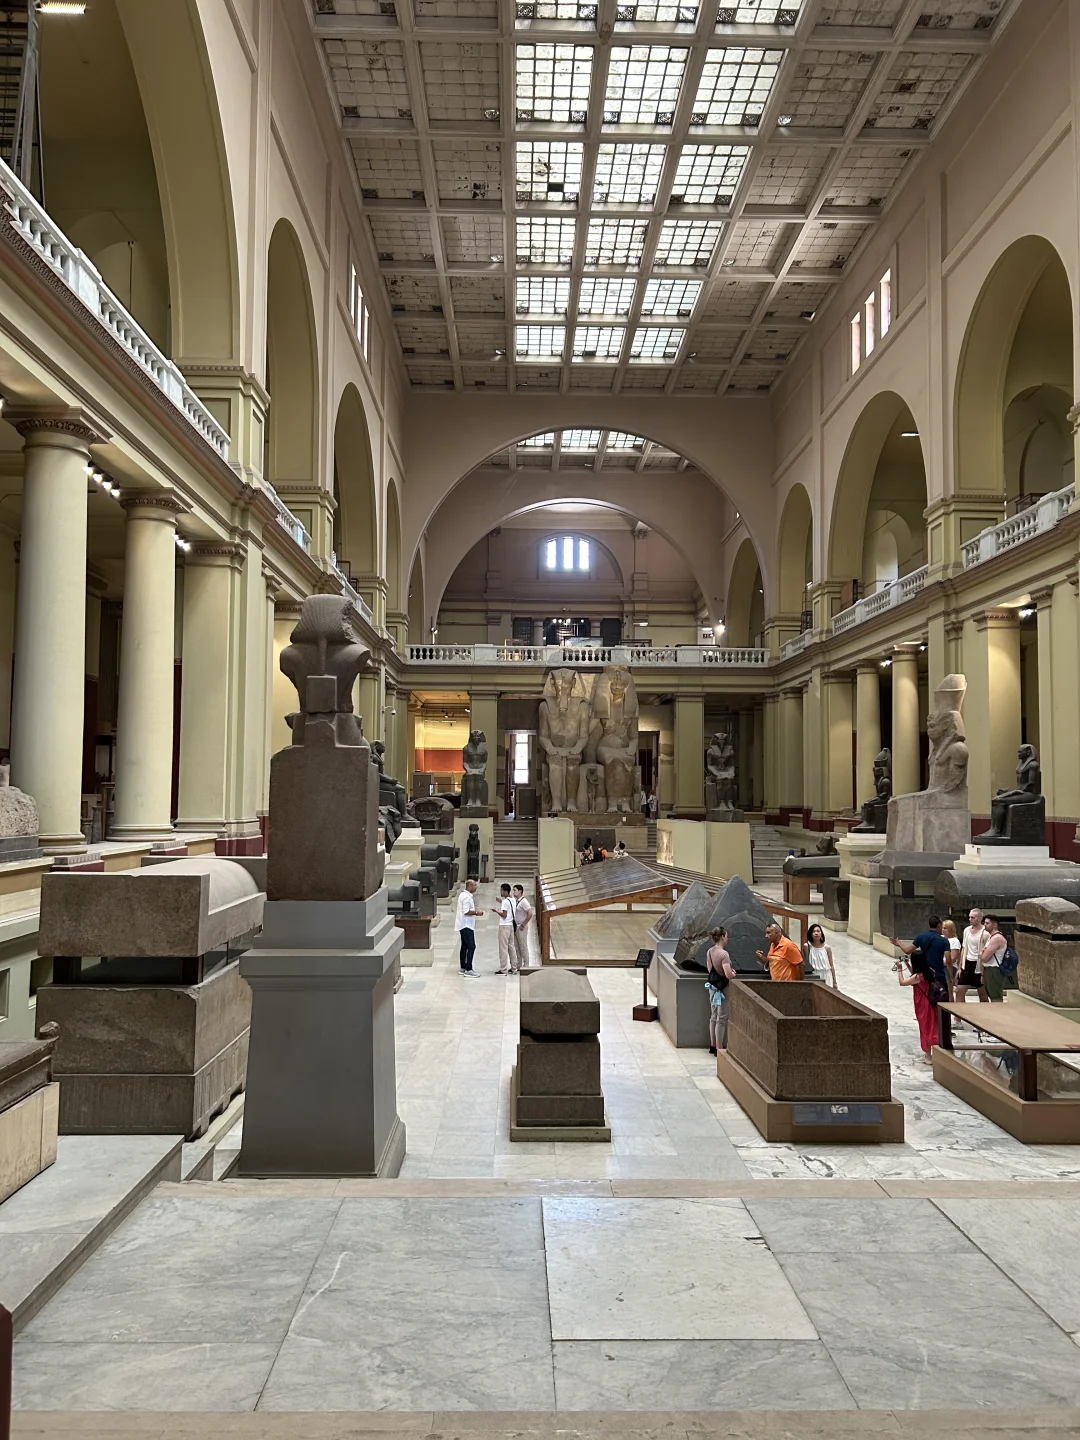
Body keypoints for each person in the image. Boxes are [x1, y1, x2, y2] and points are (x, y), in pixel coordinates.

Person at [891, 915, 951, 995]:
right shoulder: (944, 941)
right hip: (939, 974)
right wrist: (951, 976)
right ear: (939, 925)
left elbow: (907, 951)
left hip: (925, 975)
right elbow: (948, 959)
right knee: (942, 998)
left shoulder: (921, 937)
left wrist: (899, 944)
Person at [894, 950, 937, 1063]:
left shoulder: (918, 977)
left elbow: (902, 982)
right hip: (931, 1003)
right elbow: (914, 976)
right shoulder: (930, 971)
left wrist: (899, 969)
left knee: (924, 1028)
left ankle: (928, 1055)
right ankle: (929, 1053)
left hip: (922, 1004)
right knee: (931, 1027)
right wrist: (908, 965)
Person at [705, 926, 735, 1055]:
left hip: (713, 987)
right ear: (722, 937)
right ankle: (719, 1047)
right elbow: (727, 974)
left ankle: (712, 1045)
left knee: (713, 1016)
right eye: (726, 936)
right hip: (723, 989)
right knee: (721, 1018)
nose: (727, 938)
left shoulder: (710, 951)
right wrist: (733, 973)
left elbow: (709, 969)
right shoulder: (724, 954)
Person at [957, 907, 988, 1004]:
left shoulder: (985, 932)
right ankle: (960, 1012)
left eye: (972, 917)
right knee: (960, 990)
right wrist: (959, 967)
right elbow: (964, 948)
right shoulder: (967, 930)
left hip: (978, 964)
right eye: (969, 917)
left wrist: (983, 970)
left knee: (982, 993)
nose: (970, 919)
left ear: (979, 918)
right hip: (967, 963)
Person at [454, 877, 483, 977]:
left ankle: (463, 967)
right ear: (470, 886)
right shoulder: (466, 897)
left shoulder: (464, 895)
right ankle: (468, 969)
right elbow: (466, 911)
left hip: (463, 924)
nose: (476, 887)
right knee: (471, 946)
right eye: (474, 885)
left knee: (464, 946)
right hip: (466, 925)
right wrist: (477, 913)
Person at [979, 914, 1008, 1002]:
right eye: (984, 923)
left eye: (987, 923)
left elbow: (984, 957)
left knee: (995, 997)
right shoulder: (991, 937)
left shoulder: (997, 938)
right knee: (991, 995)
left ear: (995, 925)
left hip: (994, 969)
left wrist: (981, 953)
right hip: (989, 969)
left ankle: (998, 1011)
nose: (985, 925)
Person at [496, 883, 519, 976]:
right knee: (511, 947)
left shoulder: (505, 902)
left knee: (503, 948)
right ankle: (514, 968)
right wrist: (501, 901)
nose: (500, 892)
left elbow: (504, 915)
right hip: (511, 926)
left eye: (501, 890)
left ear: (505, 891)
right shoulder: (513, 900)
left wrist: (497, 911)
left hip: (504, 926)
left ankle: (503, 969)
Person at [512, 883, 534, 970]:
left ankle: (526, 965)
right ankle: (519, 964)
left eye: (515, 890)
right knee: (517, 947)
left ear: (520, 891)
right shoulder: (516, 901)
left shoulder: (524, 901)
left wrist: (524, 924)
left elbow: (530, 913)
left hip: (521, 927)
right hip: (516, 926)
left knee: (523, 947)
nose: (513, 892)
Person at [941, 919, 961, 997]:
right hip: (940, 966)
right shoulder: (940, 938)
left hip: (949, 967)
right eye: (942, 928)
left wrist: (939, 962)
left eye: (945, 928)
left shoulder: (954, 941)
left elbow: (952, 958)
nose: (943, 930)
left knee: (949, 992)